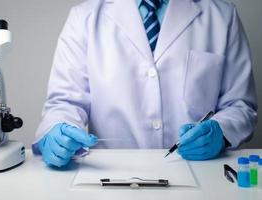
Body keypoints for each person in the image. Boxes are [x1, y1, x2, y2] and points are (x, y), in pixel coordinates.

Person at [32, 0, 258, 167]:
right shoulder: (84, 17)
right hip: (111, 175)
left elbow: (240, 105)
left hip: (199, 172)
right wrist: (57, 129)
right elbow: (65, 101)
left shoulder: (222, 16)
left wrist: (221, 131)